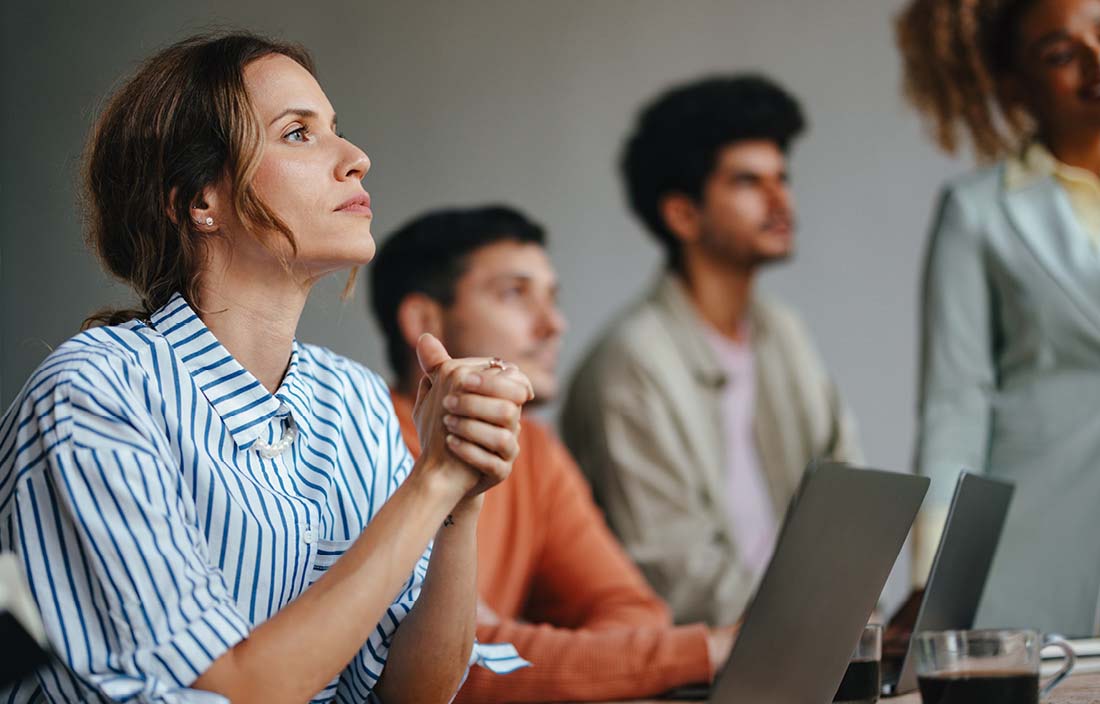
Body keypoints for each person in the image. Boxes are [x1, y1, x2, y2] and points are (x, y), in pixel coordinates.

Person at [0, 32, 533, 703]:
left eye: (335, 129)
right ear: (200, 201)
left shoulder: (353, 400)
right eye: (299, 134)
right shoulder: (95, 396)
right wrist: (428, 484)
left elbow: (413, 692)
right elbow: (234, 690)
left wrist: (459, 495)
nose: (357, 159)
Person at [369, 205, 738, 703]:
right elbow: (449, 665)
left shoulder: (536, 451)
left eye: (552, 298)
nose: (554, 324)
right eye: (515, 293)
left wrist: (519, 644)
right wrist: (704, 651)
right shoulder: (364, 440)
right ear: (424, 320)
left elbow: (634, 610)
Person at [561, 75, 863, 627]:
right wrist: (807, 632)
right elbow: (670, 568)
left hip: (811, 646)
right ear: (682, 214)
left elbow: (849, 497)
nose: (780, 199)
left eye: (782, 177)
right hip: (712, 665)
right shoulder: (631, 364)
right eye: (748, 181)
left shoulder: (783, 333)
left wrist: (852, 625)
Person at [898, 0, 1100, 635]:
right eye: (1061, 54)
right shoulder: (977, 212)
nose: (1097, 60)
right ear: (1015, 83)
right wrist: (937, 581)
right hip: (1034, 549)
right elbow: (956, 404)